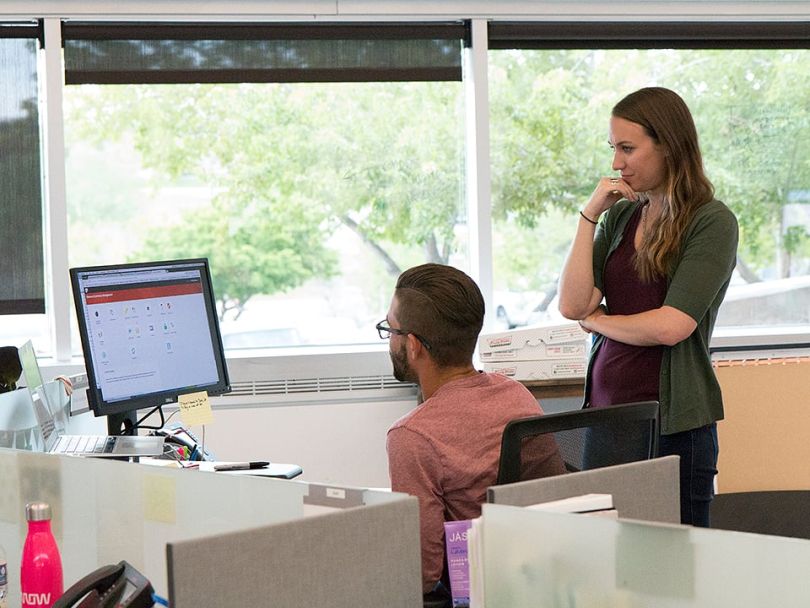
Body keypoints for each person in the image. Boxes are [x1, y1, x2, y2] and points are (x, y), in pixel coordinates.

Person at [558, 87, 738, 527]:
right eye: (613, 149)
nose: (616, 164)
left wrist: (599, 322)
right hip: (607, 418)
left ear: (668, 145)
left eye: (627, 148)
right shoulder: (621, 216)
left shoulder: (711, 221)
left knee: (675, 561)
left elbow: (672, 326)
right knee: (608, 557)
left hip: (673, 427)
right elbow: (573, 304)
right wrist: (589, 216)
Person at [380, 263, 565, 598]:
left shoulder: (412, 436)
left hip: (478, 592)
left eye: (390, 329)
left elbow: (421, 576)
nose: (389, 339)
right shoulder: (516, 393)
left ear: (413, 345)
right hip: (547, 581)